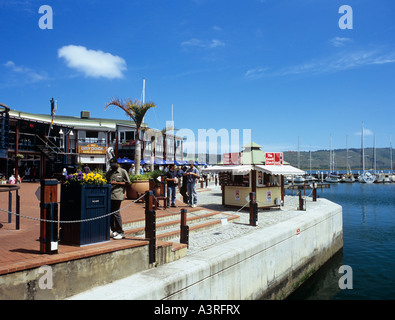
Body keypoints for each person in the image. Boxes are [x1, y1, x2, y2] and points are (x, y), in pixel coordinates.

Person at [105, 158, 131, 240]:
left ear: (117, 164)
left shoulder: (122, 171)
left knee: (116, 213)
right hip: (109, 195)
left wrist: (116, 183)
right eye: (111, 165)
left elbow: (128, 182)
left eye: (114, 165)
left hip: (117, 194)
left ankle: (121, 232)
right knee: (111, 214)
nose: (113, 167)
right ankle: (114, 231)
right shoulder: (109, 172)